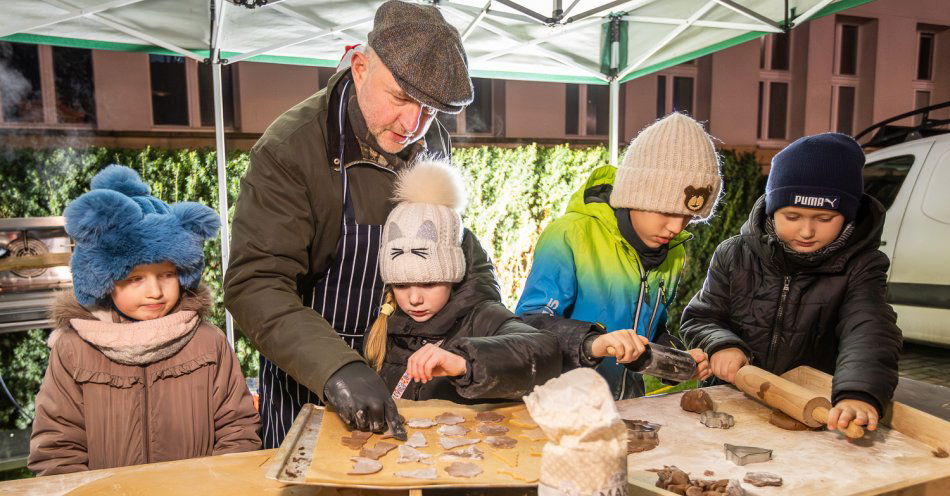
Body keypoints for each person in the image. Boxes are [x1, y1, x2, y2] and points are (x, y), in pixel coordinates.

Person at [224, 0, 496, 447]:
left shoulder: (431, 140)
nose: (413, 124)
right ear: (360, 67)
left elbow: (459, 251)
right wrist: (339, 367)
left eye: (430, 109)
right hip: (313, 382)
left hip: (412, 374)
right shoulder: (292, 148)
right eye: (402, 98)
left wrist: (482, 338)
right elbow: (255, 283)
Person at [29, 165, 260, 476]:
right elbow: (56, 447)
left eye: (167, 274)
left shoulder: (208, 342)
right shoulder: (72, 350)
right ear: (104, 281)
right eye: (135, 278)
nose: (155, 292)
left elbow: (238, 430)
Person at [680, 133, 902, 433]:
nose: (807, 231)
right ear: (772, 210)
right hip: (731, 401)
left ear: (848, 217)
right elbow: (701, 318)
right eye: (793, 216)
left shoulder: (861, 266)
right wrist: (721, 345)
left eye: (824, 218)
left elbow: (869, 329)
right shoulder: (734, 254)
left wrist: (857, 393)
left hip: (811, 408)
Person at [517, 113, 721, 399]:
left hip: (628, 408)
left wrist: (676, 361)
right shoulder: (569, 235)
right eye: (666, 212)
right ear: (634, 195)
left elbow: (650, 329)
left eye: (688, 216)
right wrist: (593, 343)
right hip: (561, 409)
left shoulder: (672, 254)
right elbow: (528, 325)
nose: (676, 228)